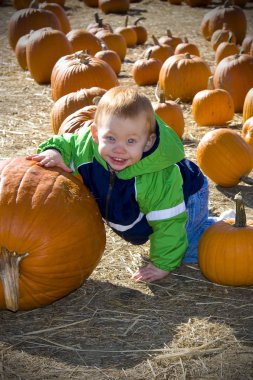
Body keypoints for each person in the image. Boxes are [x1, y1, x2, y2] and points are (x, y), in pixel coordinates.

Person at [26, 86, 220, 283]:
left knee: (187, 247)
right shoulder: (86, 147)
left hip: (187, 196)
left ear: (147, 142)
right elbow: (67, 142)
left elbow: (168, 222)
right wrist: (54, 152)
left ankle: (221, 228)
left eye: (130, 141)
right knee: (162, 229)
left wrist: (162, 265)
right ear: (95, 133)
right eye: (110, 138)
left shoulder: (155, 179)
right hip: (152, 203)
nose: (119, 149)